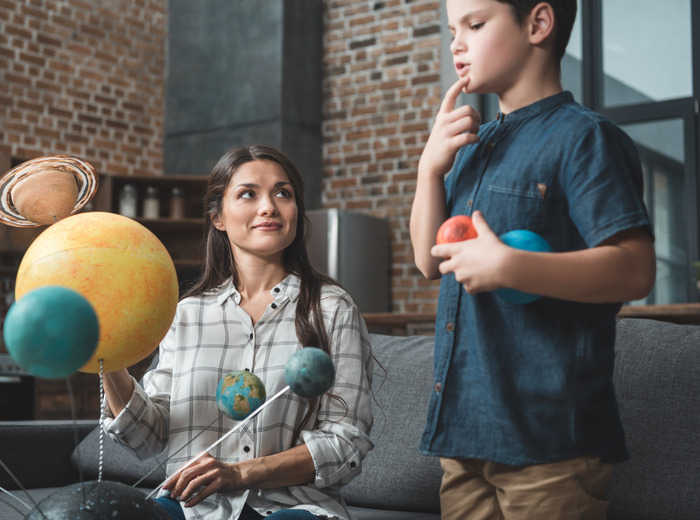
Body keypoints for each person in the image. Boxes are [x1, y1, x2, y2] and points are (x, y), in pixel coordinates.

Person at [409, 1, 656, 518]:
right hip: (464, 438)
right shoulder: (471, 146)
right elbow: (429, 261)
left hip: (551, 445)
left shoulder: (585, 137)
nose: (456, 43)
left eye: (474, 25)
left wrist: (511, 268)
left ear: (538, 24)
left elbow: (635, 269)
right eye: (453, 30)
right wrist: (430, 170)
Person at [102, 145, 374, 520]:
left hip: (294, 507)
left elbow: (346, 443)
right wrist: (107, 354)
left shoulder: (330, 309)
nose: (269, 207)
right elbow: (148, 436)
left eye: (283, 193)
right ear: (217, 217)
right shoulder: (185, 315)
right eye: (249, 193)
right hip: (191, 508)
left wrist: (240, 474)